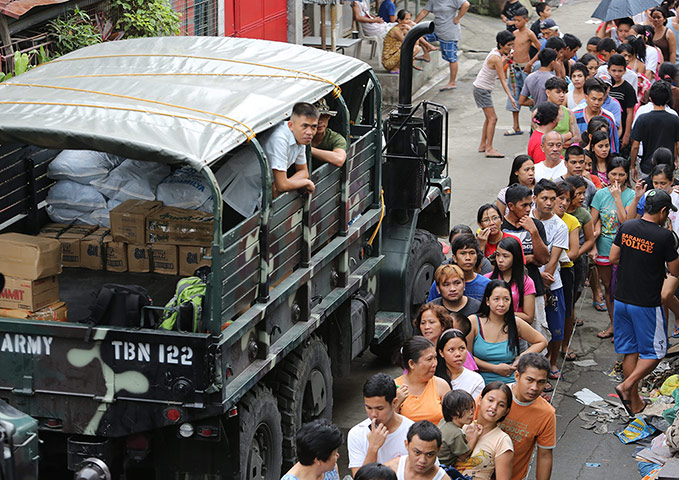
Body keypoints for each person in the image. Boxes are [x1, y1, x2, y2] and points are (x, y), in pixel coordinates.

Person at [611, 189, 679, 415]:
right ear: (662, 211)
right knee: (656, 352)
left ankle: (634, 402)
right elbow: (674, 270)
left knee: (631, 351)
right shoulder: (664, 237)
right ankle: (627, 385)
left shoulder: (627, 227)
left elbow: (613, 257)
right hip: (646, 304)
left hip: (621, 300)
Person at [218, 102, 317, 227]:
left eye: (313, 127)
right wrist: (306, 183)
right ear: (291, 125)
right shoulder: (280, 138)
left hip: (258, 190)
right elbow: (283, 185)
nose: (310, 132)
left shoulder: (301, 137)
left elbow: (303, 172)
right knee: (233, 232)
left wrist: (283, 183)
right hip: (237, 190)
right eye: (305, 126)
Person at [590, 157, 642, 339]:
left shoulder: (631, 195)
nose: (617, 178)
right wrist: (592, 246)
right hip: (604, 248)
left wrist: (617, 197)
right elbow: (592, 222)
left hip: (625, 251)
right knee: (609, 289)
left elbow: (625, 221)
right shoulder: (599, 195)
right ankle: (613, 326)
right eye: (613, 174)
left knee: (625, 290)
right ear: (608, 174)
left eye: (621, 174)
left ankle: (626, 329)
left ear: (627, 174)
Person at [468, 280, 548, 384]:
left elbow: (541, 341)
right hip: (480, 381)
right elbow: (467, 357)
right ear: (487, 301)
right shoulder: (474, 321)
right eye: (496, 299)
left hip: (510, 381)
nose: (501, 304)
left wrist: (521, 358)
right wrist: (494, 368)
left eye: (506, 299)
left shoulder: (515, 323)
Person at [531, 180, 569, 378]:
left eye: (552, 199)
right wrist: (537, 278)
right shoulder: (526, 219)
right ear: (534, 198)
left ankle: (552, 363)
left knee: (555, 327)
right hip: (530, 282)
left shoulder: (560, 226)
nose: (548, 203)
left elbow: (553, 259)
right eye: (544, 198)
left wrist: (545, 284)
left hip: (552, 282)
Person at [502, 184, 550, 341]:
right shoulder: (501, 227)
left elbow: (543, 259)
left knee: (536, 333)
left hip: (533, 286)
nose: (529, 209)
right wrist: (527, 258)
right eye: (524, 205)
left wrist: (534, 232)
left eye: (531, 204)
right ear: (511, 206)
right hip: (506, 288)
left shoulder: (536, 225)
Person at [499, 354, 556, 480]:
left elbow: (545, 455)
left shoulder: (546, 413)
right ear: (517, 376)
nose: (534, 388)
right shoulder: (494, 397)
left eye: (541, 382)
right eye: (529, 380)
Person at [348, 373, 415, 474]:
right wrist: (373, 448)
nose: (373, 414)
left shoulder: (412, 431)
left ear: (395, 403)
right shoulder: (357, 433)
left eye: (380, 408)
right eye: (369, 408)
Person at [472, 30, 518, 158]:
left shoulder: (496, 54)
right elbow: (502, 79)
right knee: (493, 119)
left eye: (512, 45)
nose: (511, 48)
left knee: (489, 118)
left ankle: (483, 145)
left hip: (481, 88)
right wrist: (511, 97)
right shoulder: (496, 57)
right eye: (509, 45)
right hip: (482, 90)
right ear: (501, 45)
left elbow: (495, 68)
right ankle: (489, 148)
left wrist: (506, 60)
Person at [455, 382, 514, 480]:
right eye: (490, 400)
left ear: (506, 411)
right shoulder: (462, 426)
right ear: (480, 400)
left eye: (501, 405)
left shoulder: (502, 441)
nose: (494, 407)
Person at [564, 174, 596, 349]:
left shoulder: (583, 214)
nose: (583, 197)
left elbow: (590, 240)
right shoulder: (559, 213)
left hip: (578, 260)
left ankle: (570, 316)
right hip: (561, 260)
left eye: (584, 193)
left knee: (576, 291)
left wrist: (577, 253)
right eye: (578, 194)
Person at [415, 0, 470, 91]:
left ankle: (452, 82)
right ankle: (426, 55)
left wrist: (457, 18)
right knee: (419, 36)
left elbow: (466, 4)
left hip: (449, 32)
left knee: (451, 58)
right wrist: (414, 24)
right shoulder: (433, 1)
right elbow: (424, 11)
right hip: (436, 30)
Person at [553, 182, 581, 362]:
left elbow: (574, 252)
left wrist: (555, 258)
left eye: (567, 199)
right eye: (560, 198)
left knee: (567, 310)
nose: (563, 202)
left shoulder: (572, 222)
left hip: (564, 271)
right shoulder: (543, 219)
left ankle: (564, 344)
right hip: (548, 271)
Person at [395, 336, 451, 424]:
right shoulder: (394, 387)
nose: (435, 364)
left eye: (435, 358)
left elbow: (451, 421)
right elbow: (385, 424)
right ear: (412, 364)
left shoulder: (441, 385)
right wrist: (396, 404)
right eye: (429, 359)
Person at [630, 81, 679, 180]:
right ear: (668, 99)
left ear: (651, 99)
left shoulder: (642, 118)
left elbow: (635, 145)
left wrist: (632, 166)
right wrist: (675, 159)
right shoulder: (674, 118)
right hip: (667, 165)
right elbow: (677, 143)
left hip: (647, 165)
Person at [506, 7, 541, 136]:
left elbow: (540, 49)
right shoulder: (514, 34)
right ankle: (516, 126)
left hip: (525, 69)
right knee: (513, 97)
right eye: (515, 20)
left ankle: (536, 123)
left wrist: (531, 63)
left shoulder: (529, 34)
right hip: (514, 69)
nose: (516, 23)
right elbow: (511, 49)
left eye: (519, 20)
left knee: (530, 96)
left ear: (526, 20)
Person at [486, 236, 536, 325]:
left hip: (517, 331)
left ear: (515, 257)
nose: (500, 260)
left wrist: (502, 312)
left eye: (505, 256)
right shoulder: (487, 279)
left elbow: (529, 317)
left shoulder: (527, 282)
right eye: (497, 255)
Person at [384, 421, 450, 480]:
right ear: (407, 445)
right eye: (417, 453)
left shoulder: (443, 478)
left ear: (438, 450)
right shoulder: (390, 470)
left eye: (429, 454)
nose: (422, 460)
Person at [438, 389, 481, 475]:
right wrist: (475, 437)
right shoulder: (456, 434)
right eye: (466, 409)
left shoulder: (443, 421)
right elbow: (463, 456)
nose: (471, 412)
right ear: (453, 412)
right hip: (441, 468)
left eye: (472, 407)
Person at [573, 77, 619, 153]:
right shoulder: (575, 115)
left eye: (600, 99)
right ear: (586, 97)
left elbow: (613, 147)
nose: (596, 103)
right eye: (593, 99)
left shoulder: (609, 118)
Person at [437, 328, 485, 398]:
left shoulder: (475, 380)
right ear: (441, 353)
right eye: (451, 350)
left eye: (462, 348)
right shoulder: (433, 378)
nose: (458, 354)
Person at [607, 54, 638, 151]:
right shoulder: (604, 86)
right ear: (608, 70)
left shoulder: (628, 89)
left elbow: (630, 113)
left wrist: (627, 134)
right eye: (614, 70)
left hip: (621, 128)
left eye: (620, 71)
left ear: (625, 71)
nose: (616, 74)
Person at [450, 234, 492, 301]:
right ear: (454, 258)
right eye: (463, 253)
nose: (468, 258)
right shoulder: (443, 282)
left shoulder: (487, 284)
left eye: (472, 253)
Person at [545, 77, 581, 148]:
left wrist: (567, 141)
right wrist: (568, 135)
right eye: (558, 92)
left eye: (564, 92)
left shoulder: (569, 113)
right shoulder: (539, 113)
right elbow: (543, 139)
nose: (562, 95)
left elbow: (577, 137)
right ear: (548, 93)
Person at [311, 99, 347, 167]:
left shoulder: (335, 139)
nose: (320, 121)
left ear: (328, 117)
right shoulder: (301, 137)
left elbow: (339, 159)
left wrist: (309, 150)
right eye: (315, 117)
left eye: (324, 116)